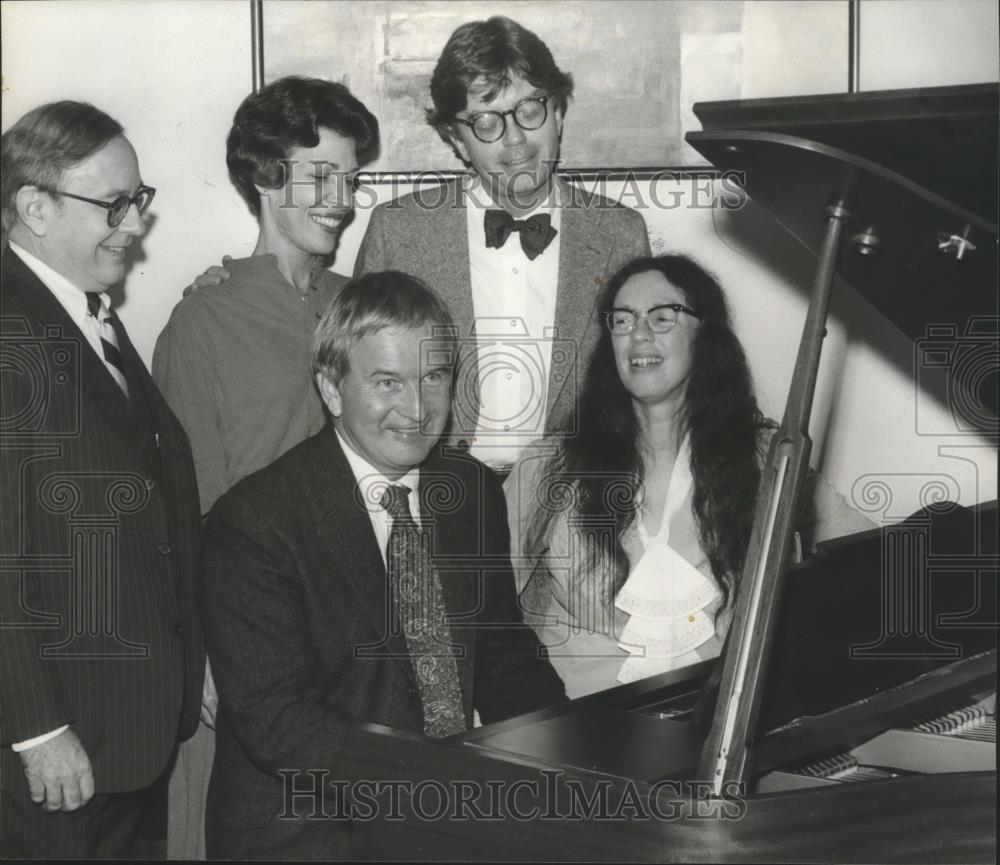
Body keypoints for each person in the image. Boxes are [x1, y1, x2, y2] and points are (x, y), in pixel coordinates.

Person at [199, 271, 566, 859]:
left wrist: (566, 759)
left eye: (433, 377)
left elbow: (502, 654)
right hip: (312, 832)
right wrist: (439, 793)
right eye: (387, 381)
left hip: (453, 820)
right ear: (333, 388)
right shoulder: (254, 522)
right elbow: (280, 721)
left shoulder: (469, 490)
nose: (417, 409)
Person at [151, 76, 378, 858]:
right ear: (264, 174)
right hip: (252, 642)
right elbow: (187, 512)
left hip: (354, 638)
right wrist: (207, 657)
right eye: (322, 175)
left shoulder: (356, 305)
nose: (341, 198)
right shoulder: (202, 320)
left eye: (351, 177)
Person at [504, 255, 875, 699]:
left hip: (716, 726)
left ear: (707, 337)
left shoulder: (767, 459)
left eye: (662, 318)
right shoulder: (548, 466)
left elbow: (872, 563)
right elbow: (480, 609)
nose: (638, 334)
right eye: (622, 321)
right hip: (577, 732)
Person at [0, 101, 205, 857]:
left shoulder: (90, 316)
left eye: (138, 199)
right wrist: (36, 728)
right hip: (57, 756)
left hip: (120, 736)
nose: (134, 221)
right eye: (113, 203)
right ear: (34, 208)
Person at [355, 16, 651, 472]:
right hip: (434, 495)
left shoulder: (620, 233)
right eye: (486, 122)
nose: (515, 139)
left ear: (557, 112)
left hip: (568, 495)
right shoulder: (397, 232)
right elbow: (358, 383)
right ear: (455, 138)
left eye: (529, 110)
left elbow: (643, 392)